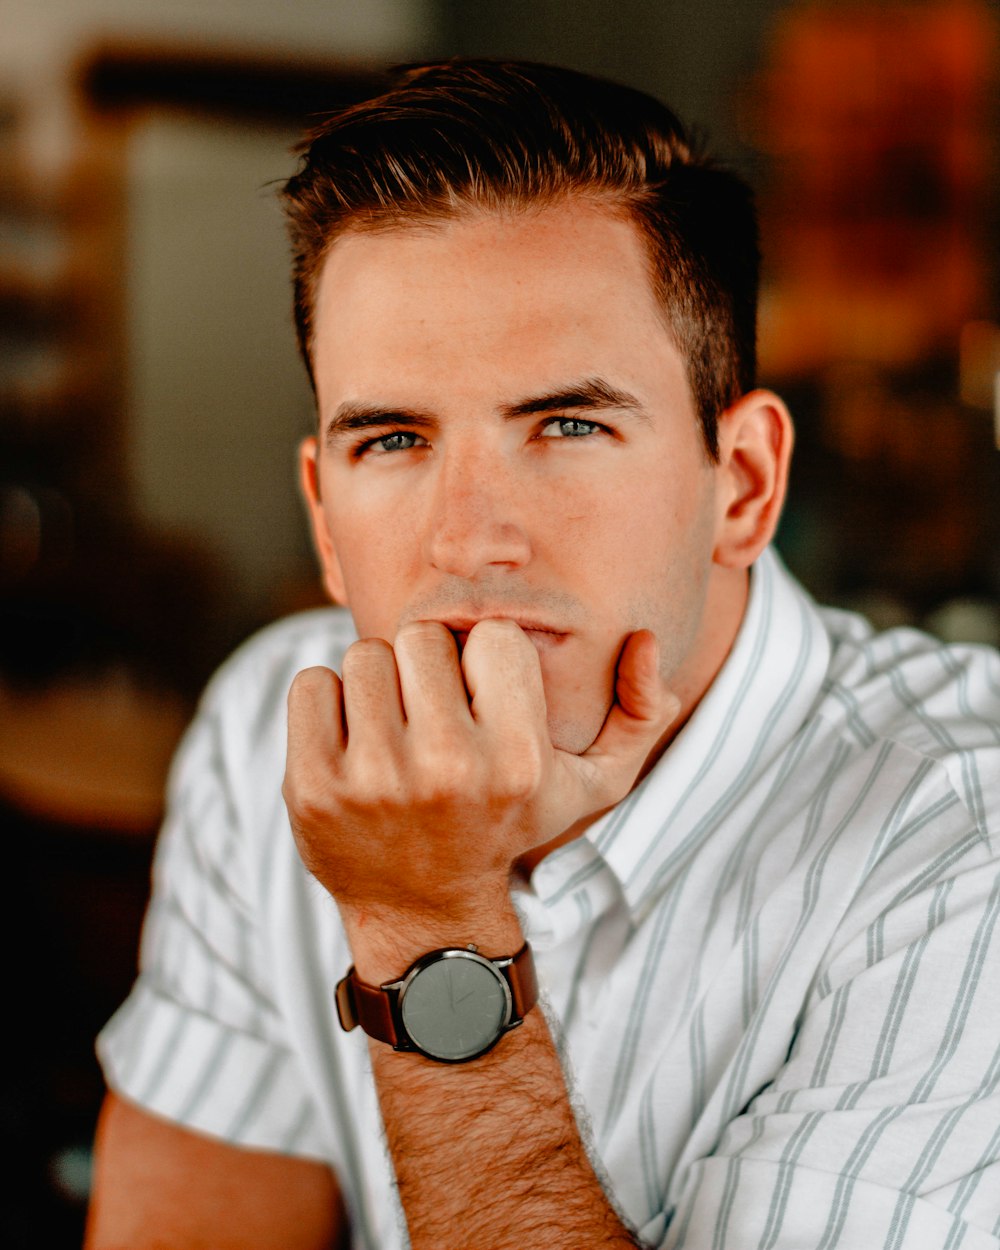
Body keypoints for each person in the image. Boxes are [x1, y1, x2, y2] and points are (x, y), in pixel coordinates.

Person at [86, 60, 1000, 1250]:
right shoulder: (277, 716)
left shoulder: (958, 840)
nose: (470, 537)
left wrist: (426, 925)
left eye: (567, 423)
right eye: (395, 438)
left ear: (744, 483)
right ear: (323, 519)